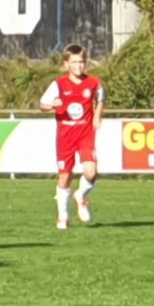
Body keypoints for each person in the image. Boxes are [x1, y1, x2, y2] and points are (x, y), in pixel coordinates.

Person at [39, 44, 104, 230]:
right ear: (66, 63)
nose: (78, 66)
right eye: (74, 62)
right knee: (65, 176)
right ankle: (63, 216)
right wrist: (53, 105)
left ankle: (81, 196)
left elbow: (101, 98)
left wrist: (97, 116)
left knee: (91, 172)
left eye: (82, 62)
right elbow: (42, 105)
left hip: (85, 134)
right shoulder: (58, 84)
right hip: (65, 135)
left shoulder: (93, 83)